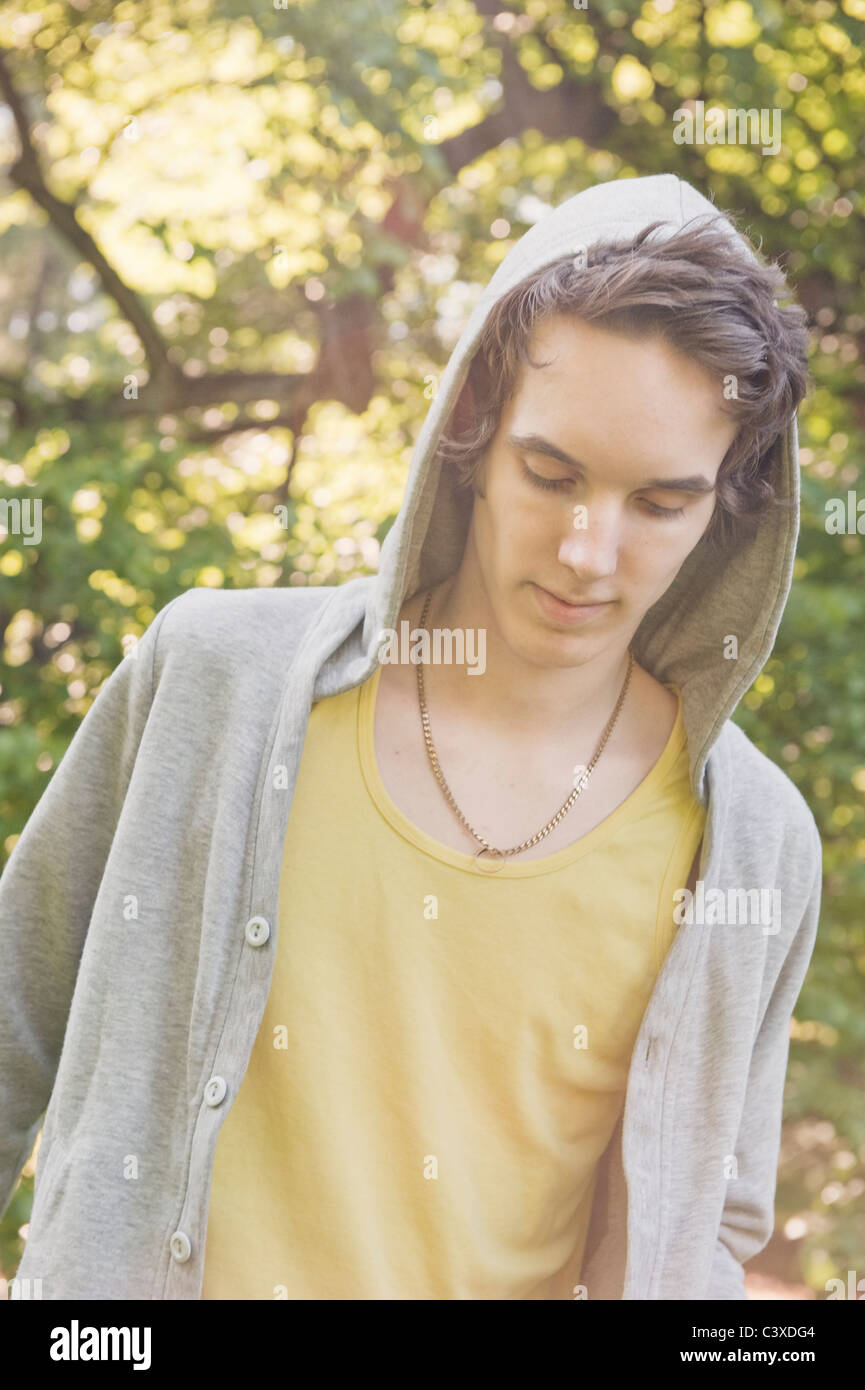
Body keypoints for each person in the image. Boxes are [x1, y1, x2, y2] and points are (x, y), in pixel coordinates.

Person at [0, 173, 822, 1301]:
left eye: (659, 502)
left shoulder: (754, 842)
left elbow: (703, 1221)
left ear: (728, 501)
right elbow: (13, 1017)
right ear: (471, 435)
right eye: (552, 474)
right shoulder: (216, 680)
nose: (589, 550)